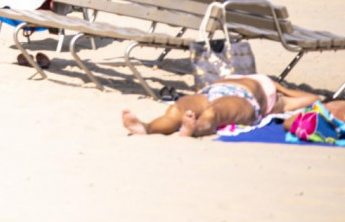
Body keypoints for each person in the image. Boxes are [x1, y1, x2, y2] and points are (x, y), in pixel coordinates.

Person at [122, 77, 326, 138]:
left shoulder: (279, 100)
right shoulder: (258, 80)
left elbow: (313, 98)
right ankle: (146, 127)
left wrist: (282, 89)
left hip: (246, 101)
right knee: (177, 109)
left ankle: (195, 129)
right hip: (211, 91)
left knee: (214, 113)